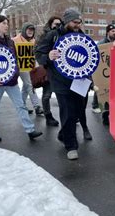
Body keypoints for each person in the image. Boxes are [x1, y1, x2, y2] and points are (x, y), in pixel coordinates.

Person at [35, 9, 93, 160]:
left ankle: (63, 134)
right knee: (67, 112)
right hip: (60, 81)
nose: (77, 25)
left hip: (79, 81)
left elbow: (89, 58)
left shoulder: (81, 36)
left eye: (79, 22)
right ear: (66, 21)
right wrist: (48, 56)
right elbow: (38, 53)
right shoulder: (52, 36)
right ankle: (71, 146)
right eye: (75, 22)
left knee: (77, 111)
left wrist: (90, 78)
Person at [0, 15, 42, 142]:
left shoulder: (10, 41)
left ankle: (30, 130)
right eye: (3, 23)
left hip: (11, 80)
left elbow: (14, 59)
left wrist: (16, 73)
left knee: (21, 105)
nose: (6, 25)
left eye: (7, 23)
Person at [12, 22, 43, 115]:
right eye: (28, 29)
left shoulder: (34, 41)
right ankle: (37, 106)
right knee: (30, 85)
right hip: (21, 67)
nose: (30, 31)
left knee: (26, 87)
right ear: (24, 30)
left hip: (31, 66)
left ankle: (22, 106)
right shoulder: (14, 40)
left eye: (32, 30)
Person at [38, 16, 62, 127]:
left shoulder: (62, 35)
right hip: (48, 69)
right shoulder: (44, 36)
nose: (57, 26)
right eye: (55, 24)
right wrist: (48, 57)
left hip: (60, 70)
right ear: (50, 24)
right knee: (47, 95)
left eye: (59, 24)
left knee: (62, 95)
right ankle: (48, 116)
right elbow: (38, 53)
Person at [92, 24, 115, 113]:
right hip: (102, 69)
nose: (114, 33)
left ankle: (109, 105)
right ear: (107, 32)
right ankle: (95, 105)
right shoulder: (101, 43)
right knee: (100, 87)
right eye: (112, 31)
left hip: (113, 67)